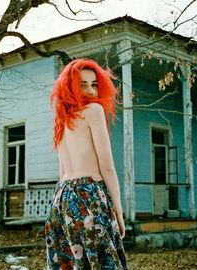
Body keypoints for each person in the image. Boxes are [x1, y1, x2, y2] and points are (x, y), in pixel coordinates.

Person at [45, 58, 128, 270]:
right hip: (89, 197)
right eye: (83, 84)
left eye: (94, 84)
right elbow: (107, 166)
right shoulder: (94, 111)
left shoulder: (63, 120)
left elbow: (63, 170)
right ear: (70, 86)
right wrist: (118, 211)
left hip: (61, 200)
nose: (91, 91)